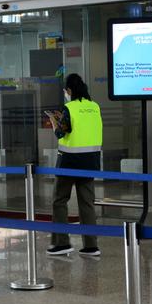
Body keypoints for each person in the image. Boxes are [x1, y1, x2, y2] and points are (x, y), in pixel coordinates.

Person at [45, 73, 102, 258]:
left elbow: (61, 133)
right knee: (87, 203)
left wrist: (55, 121)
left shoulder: (69, 108)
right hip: (90, 162)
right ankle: (91, 246)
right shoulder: (94, 107)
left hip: (69, 161)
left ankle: (62, 243)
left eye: (66, 91)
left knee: (59, 200)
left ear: (69, 90)